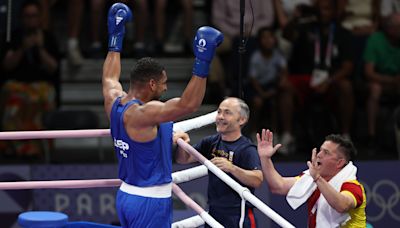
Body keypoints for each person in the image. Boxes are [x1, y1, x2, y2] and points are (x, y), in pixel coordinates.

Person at [102, 3, 223, 227]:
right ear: (151, 83)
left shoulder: (114, 101)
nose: (166, 89)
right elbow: (189, 105)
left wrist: (115, 37)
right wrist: (202, 61)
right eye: (164, 84)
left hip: (126, 195)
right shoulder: (144, 113)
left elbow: (110, 77)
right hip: (150, 201)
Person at [176, 97, 263, 228]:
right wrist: (183, 143)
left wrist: (232, 168)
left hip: (238, 215)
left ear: (242, 120)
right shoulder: (211, 142)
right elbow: (183, 159)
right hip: (214, 213)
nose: (220, 117)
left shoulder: (246, 148)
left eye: (227, 113)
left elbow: (258, 179)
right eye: (219, 112)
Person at [257, 129, 366, 227]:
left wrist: (317, 178)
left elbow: (342, 205)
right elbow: (278, 186)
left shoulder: (352, 186)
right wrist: (265, 158)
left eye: (326, 153)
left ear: (339, 163)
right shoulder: (311, 179)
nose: (319, 155)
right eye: (321, 150)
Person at [0, 0, 60, 159]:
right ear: (21, 18)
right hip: (18, 85)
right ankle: (15, 149)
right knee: (14, 99)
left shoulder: (48, 38)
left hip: (41, 86)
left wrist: (40, 48)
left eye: (34, 16)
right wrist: (23, 48)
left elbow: (53, 67)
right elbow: (7, 65)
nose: (30, 19)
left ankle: (39, 151)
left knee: (41, 98)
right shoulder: (13, 37)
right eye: (27, 16)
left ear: (39, 18)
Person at [247, 26, 295, 153]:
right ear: (260, 41)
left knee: (276, 103)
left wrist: (278, 85)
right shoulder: (256, 57)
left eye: (270, 37)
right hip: (258, 88)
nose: (268, 41)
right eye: (264, 38)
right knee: (257, 103)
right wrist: (263, 94)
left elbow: (284, 71)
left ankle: (277, 136)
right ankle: (252, 134)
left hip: (273, 87)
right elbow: (253, 79)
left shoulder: (278, 54)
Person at [363, 13, 400, 149]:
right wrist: (391, 80)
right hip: (380, 80)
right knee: (375, 89)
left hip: (397, 82)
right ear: (390, 28)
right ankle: (371, 135)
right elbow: (369, 73)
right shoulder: (375, 39)